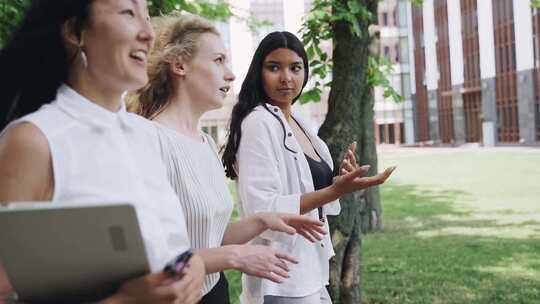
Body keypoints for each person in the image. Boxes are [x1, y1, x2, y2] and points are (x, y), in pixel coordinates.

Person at [0, 1, 205, 303]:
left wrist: (193, 265)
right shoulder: (34, 141)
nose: (149, 33)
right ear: (75, 31)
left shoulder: (146, 135)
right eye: (128, 13)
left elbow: (167, 252)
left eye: (147, 16)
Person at [129, 14, 327, 303]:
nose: (231, 74)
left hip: (214, 293)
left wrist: (262, 220)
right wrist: (234, 257)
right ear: (180, 65)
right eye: (219, 60)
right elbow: (146, 260)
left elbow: (212, 237)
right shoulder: (146, 138)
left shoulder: (206, 143)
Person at [221, 31, 396, 304]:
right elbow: (262, 209)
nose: (286, 78)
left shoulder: (298, 121)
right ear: (259, 72)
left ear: (305, 72)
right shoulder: (258, 122)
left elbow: (310, 191)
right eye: (274, 67)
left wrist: (339, 181)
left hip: (311, 272)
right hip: (282, 279)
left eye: (295, 68)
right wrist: (334, 191)